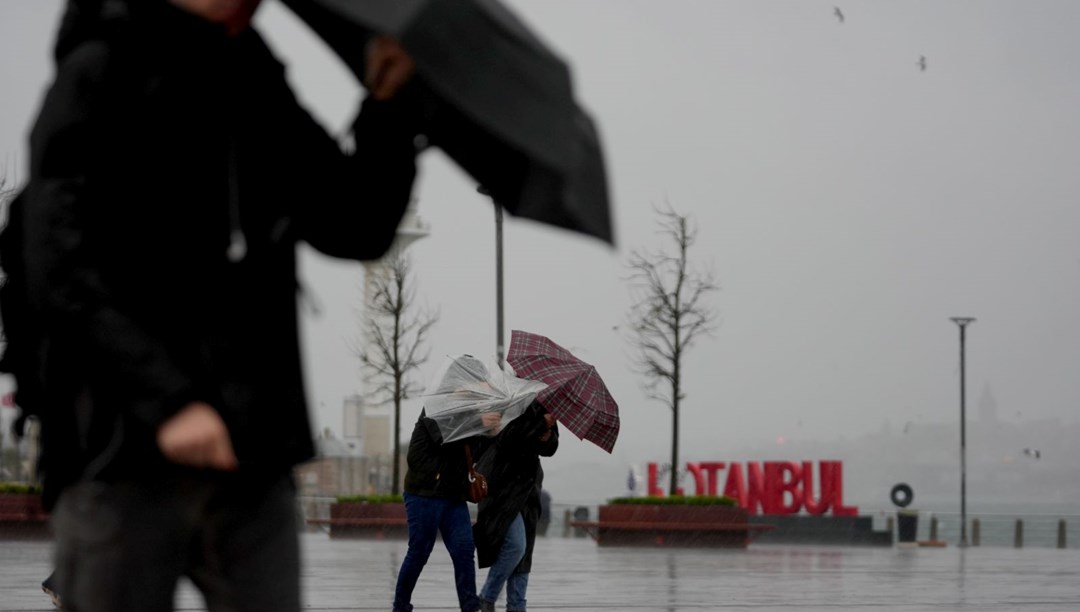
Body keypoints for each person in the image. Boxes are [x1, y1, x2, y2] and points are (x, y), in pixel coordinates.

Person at [21, 1, 423, 610]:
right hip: (122, 446)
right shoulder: (101, 68)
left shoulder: (255, 78)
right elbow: (56, 265)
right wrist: (171, 403)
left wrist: (388, 109)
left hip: (253, 450)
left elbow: (352, 223)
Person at [394, 409, 502, 612]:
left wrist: (489, 434)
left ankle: (470, 607)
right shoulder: (436, 407)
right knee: (419, 552)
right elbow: (445, 438)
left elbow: (471, 453)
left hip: (454, 496)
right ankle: (400, 606)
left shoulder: (471, 411)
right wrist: (478, 421)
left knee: (464, 550)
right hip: (424, 494)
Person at [473, 401, 559, 612]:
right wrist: (540, 424)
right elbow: (508, 438)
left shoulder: (547, 405)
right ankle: (487, 595)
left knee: (524, 551)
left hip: (528, 487)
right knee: (516, 547)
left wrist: (548, 433)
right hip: (501, 484)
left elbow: (548, 449)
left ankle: (517, 605)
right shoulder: (511, 401)